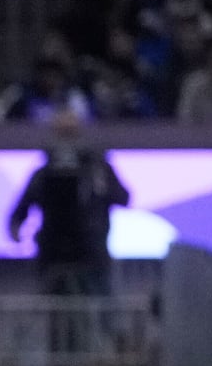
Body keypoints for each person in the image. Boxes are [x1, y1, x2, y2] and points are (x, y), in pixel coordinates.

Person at [7, 106, 127, 295]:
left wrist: (102, 185)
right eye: (63, 133)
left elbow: (123, 198)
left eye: (71, 132)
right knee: (57, 310)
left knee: (97, 305)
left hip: (91, 252)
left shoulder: (98, 169)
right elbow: (22, 206)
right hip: (54, 253)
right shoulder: (44, 174)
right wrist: (16, 227)